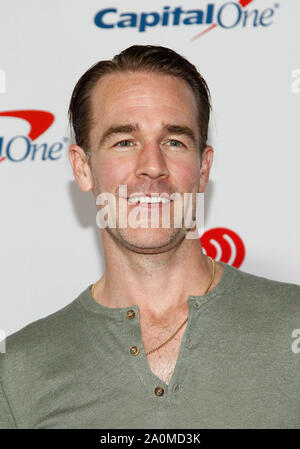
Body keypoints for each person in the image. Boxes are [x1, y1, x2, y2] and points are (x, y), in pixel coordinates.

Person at [0, 45, 299, 429]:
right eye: (124, 141)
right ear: (83, 167)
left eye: (174, 141)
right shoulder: (19, 372)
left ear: (203, 167)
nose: (153, 167)